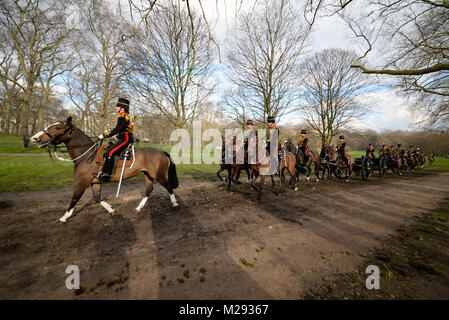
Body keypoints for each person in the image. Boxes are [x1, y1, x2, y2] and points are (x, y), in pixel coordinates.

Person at [93, 97, 134, 182]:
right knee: (108, 150)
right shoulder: (126, 116)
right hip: (124, 137)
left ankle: (107, 174)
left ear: (122, 108)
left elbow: (117, 129)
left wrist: (104, 135)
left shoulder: (123, 116)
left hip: (125, 139)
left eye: (117, 106)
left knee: (110, 152)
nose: (115, 108)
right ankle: (103, 172)